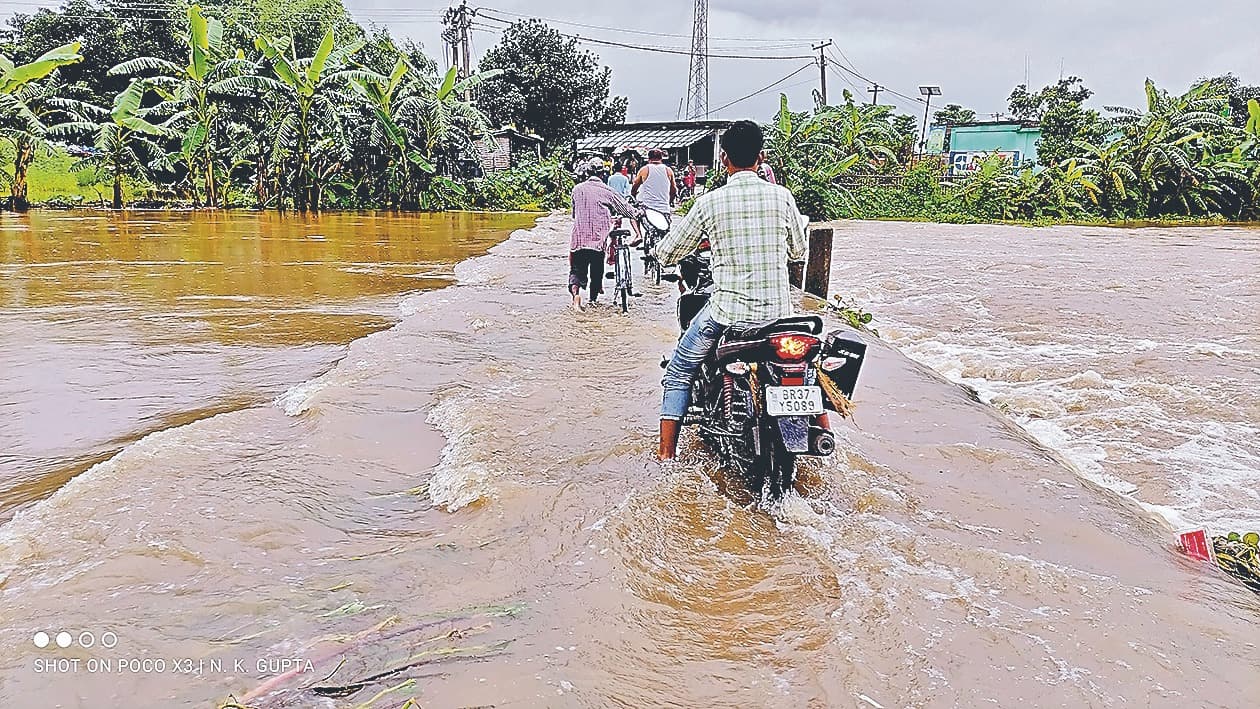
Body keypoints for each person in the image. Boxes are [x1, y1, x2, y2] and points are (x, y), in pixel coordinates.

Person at [652, 120, 807, 460]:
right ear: (761, 157)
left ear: (724, 159)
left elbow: (667, 253)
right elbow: (799, 251)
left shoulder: (710, 202)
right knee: (806, 370)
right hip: (780, 316)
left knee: (678, 371)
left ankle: (665, 457)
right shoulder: (782, 197)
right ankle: (815, 432)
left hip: (728, 314)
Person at [569, 159, 637, 312]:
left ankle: (576, 297)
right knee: (596, 272)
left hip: (579, 239)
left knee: (576, 270)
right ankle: (592, 300)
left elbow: (574, 215)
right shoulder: (606, 190)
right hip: (598, 241)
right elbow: (625, 209)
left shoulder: (577, 189)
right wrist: (639, 213)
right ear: (602, 173)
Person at [631, 148, 677, 213]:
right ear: (661, 158)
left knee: (633, 218)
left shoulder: (644, 170)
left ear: (649, 159)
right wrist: (669, 202)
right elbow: (673, 190)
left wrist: (633, 196)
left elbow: (635, 187)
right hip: (664, 209)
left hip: (647, 208)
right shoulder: (668, 171)